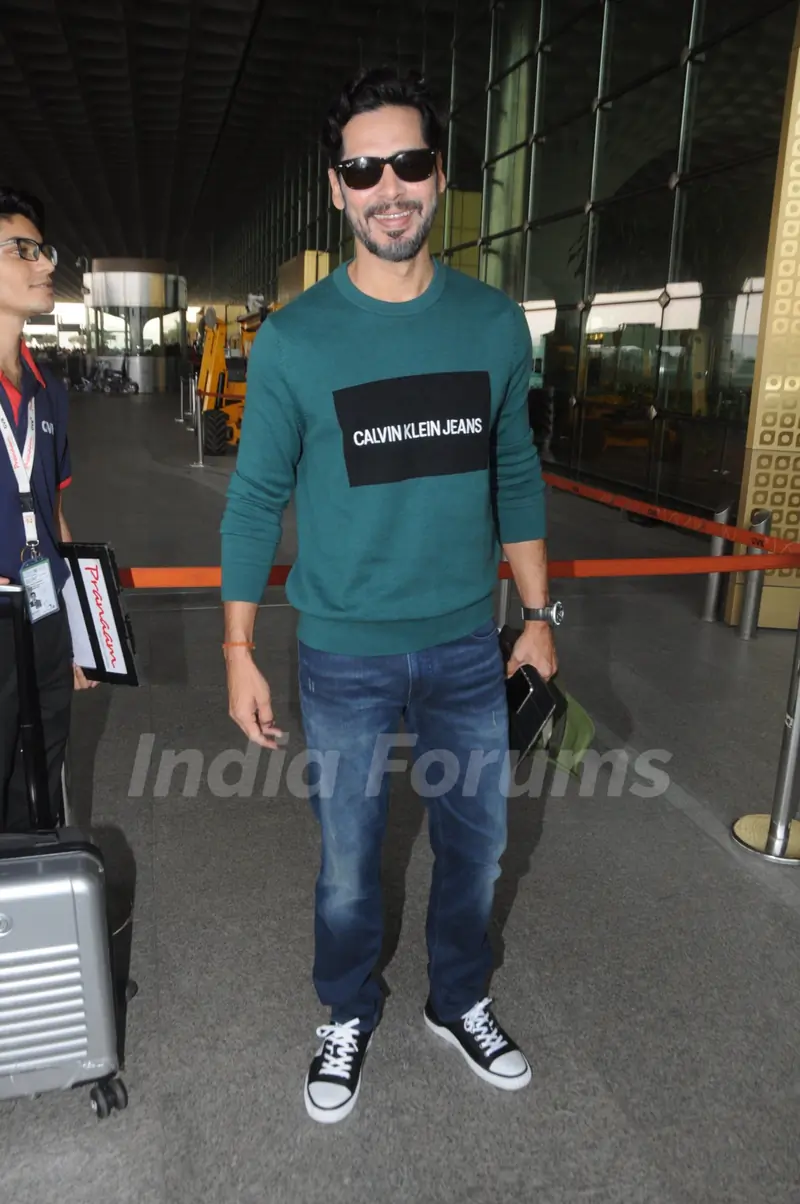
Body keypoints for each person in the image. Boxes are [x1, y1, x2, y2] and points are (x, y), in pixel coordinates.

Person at [220, 68, 558, 1124]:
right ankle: (344, 1009)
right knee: (349, 864)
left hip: (467, 643)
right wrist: (236, 649)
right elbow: (253, 498)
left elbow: (514, 475)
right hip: (344, 654)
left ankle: (457, 999)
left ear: (439, 176)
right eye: (364, 169)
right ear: (338, 189)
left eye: (408, 163)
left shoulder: (494, 326)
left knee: (479, 847)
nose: (389, 188)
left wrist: (538, 621)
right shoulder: (296, 339)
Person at [0, 186, 94, 834]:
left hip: (42, 615)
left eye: (44, 250)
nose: (44, 264)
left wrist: (81, 627)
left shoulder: (47, 389)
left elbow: (53, 515)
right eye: (23, 250)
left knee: (40, 783)